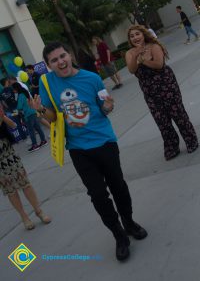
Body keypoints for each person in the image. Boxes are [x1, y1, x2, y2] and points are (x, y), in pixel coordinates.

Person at [31, 41, 147, 262]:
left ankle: (129, 223)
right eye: (54, 60)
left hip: (104, 142)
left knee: (118, 186)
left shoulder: (92, 78)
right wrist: (41, 110)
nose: (60, 61)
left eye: (62, 55)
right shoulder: (47, 83)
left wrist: (108, 106)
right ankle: (119, 235)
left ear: (69, 54)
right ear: (48, 65)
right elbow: (53, 118)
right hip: (78, 149)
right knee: (98, 195)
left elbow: (104, 107)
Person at [125, 25, 198, 160]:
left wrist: (144, 61)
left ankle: (191, 140)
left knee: (178, 114)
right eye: (132, 36)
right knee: (161, 120)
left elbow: (159, 65)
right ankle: (172, 147)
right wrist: (136, 55)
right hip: (149, 91)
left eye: (137, 34)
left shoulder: (154, 46)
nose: (135, 37)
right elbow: (131, 70)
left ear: (143, 34)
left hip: (166, 85)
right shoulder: (130, 53)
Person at [0, 104, 51, 230]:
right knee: (10, 190)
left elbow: (13, 125)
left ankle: (39, 211)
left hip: (8, 153)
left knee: (25, 183)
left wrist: (3, 117)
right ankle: (24, 217)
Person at [12, 82, 47, 152]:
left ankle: (35, 145)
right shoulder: (26, 93)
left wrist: (14, 112)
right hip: (33, 112)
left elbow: (19, 107)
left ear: (16, 89)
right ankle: (43, 140)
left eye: (13, 89)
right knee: (38, 128)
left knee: (31, 131)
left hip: (28, 114)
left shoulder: (21, 96)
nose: (13, 91)